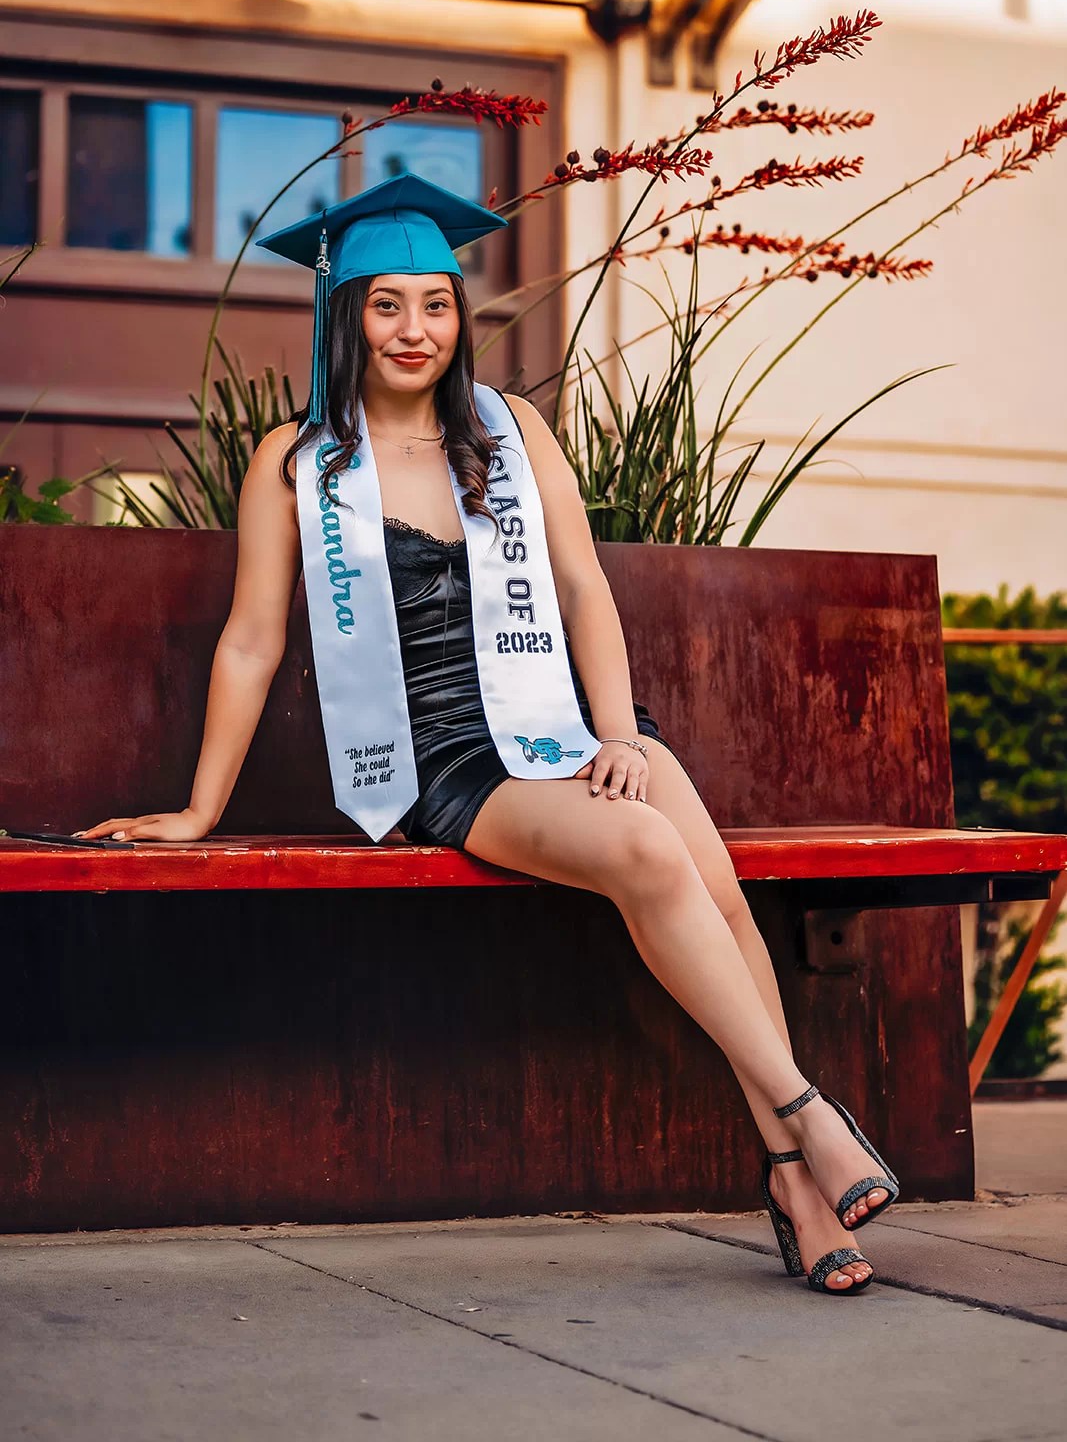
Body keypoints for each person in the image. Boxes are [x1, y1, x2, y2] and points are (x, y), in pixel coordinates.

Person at [75, 174, 898, 1295]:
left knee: (717, 895)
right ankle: (809, 1114)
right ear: (344, 315)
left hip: (554, 723)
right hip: (440, 759)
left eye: (436, 305)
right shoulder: (299, 460)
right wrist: (198, 808)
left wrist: (620, 735)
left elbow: (582, 587)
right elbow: (252, 641)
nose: (414, 330)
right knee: (650, 849)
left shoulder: (510, 432)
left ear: (460, 318)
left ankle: (795, 1178)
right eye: (385, 305)